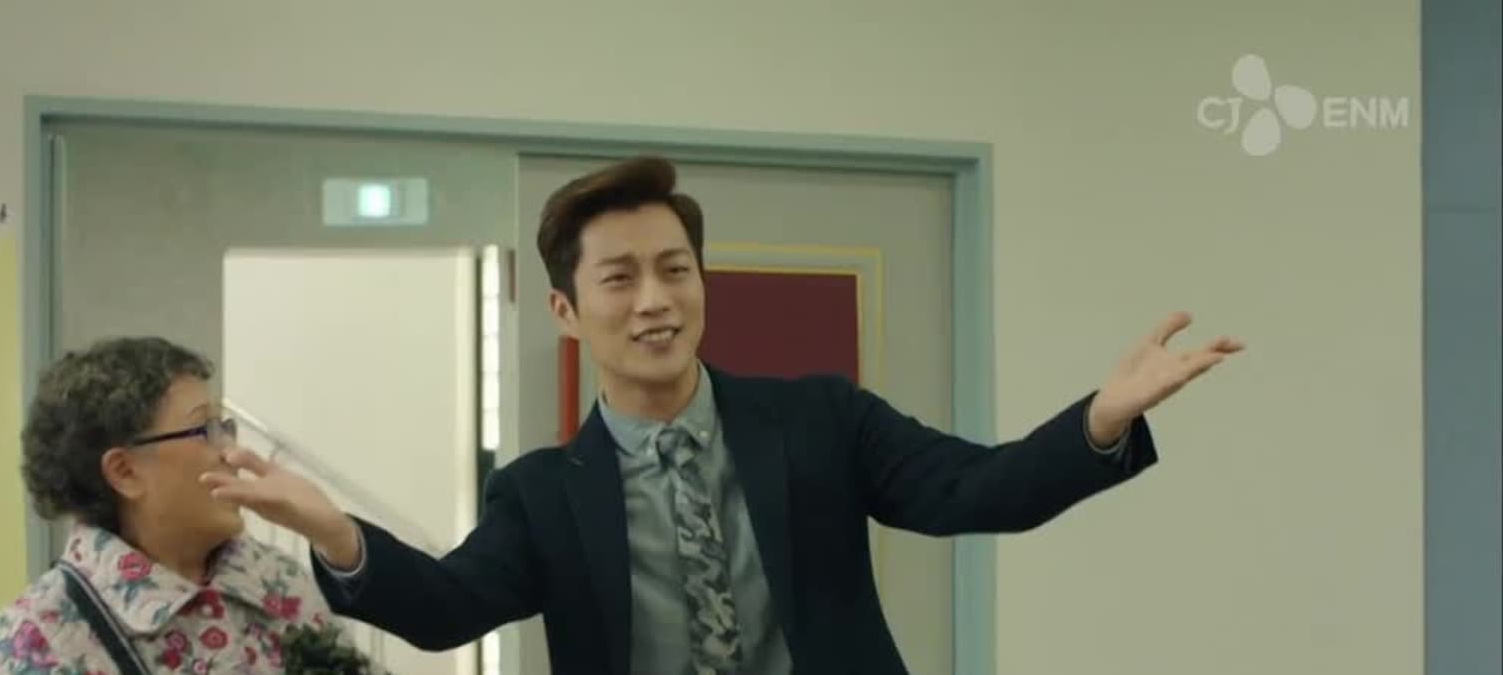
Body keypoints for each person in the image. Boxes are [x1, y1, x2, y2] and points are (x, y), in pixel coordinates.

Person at [202, 157, 1244, 675]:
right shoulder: (543, 494)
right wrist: (332, 529)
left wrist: (1100, 418)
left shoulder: (821, 418)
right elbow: (443, 610)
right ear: (566, 311)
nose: (655, 300)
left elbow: (977, 491)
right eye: (620, 278)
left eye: (676, 269)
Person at [0, 337, 351, 675]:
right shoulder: (39, 639)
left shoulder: (275, 578)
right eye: (205, 430)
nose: (232, 453)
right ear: (125, 472)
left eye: (224, 427)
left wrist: (338, 536)